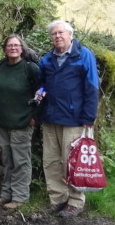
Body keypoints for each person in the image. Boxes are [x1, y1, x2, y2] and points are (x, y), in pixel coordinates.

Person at [37, 20, 100, 218]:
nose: (57, 36)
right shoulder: (47, 59)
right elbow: (41, 85)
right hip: (50, 118)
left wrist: (89, 117)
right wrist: (40, 93)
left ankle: (75, 201)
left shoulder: (83, 55)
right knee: (51, 161)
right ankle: (58, 199)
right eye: (54, 34)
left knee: (72, 162)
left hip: (74, 119)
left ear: (70, 34)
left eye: (61, 33)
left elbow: (92, 86)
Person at [0, 34, 41, 210]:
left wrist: (34, 117)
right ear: (4, 48)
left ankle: (20, 197)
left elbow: (41, 93)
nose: (13, 48)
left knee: (21, 161)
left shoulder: (30, 68)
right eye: (9, 45)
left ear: (22, 48)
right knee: (7, 160)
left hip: (22, 122)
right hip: (2, 122)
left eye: (16, 45)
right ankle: (5, 194)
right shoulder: (0, 66)